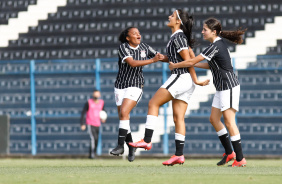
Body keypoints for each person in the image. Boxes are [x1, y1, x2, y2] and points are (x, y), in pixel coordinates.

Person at [129, 9, 209, 166]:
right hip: (186, 80)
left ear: (178, 21)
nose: (169, 17)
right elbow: (181, 58)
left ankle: (146, 140)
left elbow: (188, 61)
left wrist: (196, 80)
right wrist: (162, 58)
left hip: (180, 77)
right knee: (178, 118)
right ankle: (179, 155)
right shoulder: (178, 37)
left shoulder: (178, 37)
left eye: (172, 15)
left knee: (153, 103)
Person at [168, 18, 247, 167]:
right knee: (214, 119)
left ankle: (240, 158)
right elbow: (209, 65)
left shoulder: (215, 46)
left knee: (229, 122)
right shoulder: (216, 46)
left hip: (228, 87)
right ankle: (230, 152)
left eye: (205, 29)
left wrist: (176, 65)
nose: (202, 32)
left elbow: (191, 62)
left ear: (214, 32)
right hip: (221, 88)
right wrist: (193, 62)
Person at [110, 27, 163, 162]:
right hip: (120, 86)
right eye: (134, 33)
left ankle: (120, 146)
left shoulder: (145, 47)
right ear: (128, 38)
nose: (138, 34)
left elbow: (159, 56)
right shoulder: (123, 48)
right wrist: (153, 60)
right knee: (123, 116)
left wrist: (176, 60)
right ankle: (131, 146)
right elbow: (132, 63)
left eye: (139, 32)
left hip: (135, 85)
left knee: (124, 112)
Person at [80, 90, 106, 159]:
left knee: (96, 139)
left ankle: (93, 153)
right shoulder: (89, 102)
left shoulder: (101, 103)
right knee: (93, 139)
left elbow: (103, 112)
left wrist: (103, 118)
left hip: (97, 124)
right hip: (90, 124)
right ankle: (92, 155)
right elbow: (83, 112)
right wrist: (82, 123)